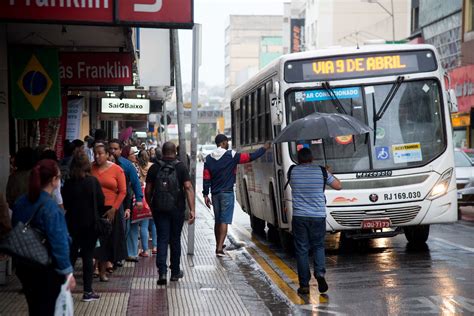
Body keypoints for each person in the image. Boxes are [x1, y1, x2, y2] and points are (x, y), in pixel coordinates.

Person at [11, 159, 76, 315]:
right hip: (46, 268)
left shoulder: (21, 202)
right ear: (53, 180)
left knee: (34, 307)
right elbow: (59, 242)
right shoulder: (50, 207)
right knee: (47, 308)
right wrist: (68, 272)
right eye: (59, 178)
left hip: (24, 264)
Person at [202, 134, 271, 256]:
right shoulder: (231, 155)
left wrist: (205, 194)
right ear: (223, 143)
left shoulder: (208, 159)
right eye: (226, 142)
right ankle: (219, 249)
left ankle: (219, 243)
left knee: (217, 221)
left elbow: (206, 178)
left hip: (215, 194)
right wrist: (264, 148)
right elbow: (250, 157)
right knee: (224, 221)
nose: (228, 144)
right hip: (227, 193)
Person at [288, 147, 341, 295]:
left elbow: (294, 186)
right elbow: (338, 186)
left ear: (298, 159)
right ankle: (320, 274)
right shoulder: (321, 171)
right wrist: (327, 173)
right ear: (312, 158)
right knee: (318, 246)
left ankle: (304, 285)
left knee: (302, 250)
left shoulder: (292, 171)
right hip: (318, 216)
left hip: (300, 217)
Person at [145, 142, 196, 285]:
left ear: (162, 152)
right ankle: (175, 272)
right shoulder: (180, 167)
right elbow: (188, 187)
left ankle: (162, 272)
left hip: (159, 209)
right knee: (175, 239)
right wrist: (192, 209)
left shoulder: (154, 167)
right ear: (175, 152)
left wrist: (151, 205)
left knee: (162, 238)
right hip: (177, 208)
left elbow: (148, 190)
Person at [62, 151, 104, 301]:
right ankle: (87, 292)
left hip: (72, 224)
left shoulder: (68, 183)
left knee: (71, 256)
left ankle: (64, 289)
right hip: (90, 224)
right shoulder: (93, 182)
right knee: (88, 256)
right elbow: (101, 202)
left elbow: (65, 203)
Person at [91, 143, 127, 281]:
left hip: (110, 209)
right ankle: (93, 268)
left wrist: (114, 208)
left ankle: (103, 272)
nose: (97, 156)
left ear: (107, 155)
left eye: (100, 153)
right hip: (94, 209)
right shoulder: (90, 168)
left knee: (107, 241)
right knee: (94, 240)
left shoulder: (117, 170)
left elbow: (123, 191)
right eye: (95, 153)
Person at [108, 140, 144, 263]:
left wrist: (139, 199)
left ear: (120, 150)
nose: (113, 151)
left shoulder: (127, 165)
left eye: (115, 148)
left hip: (123, 203)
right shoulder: (99, 165)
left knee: (123, 229)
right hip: (105, 203)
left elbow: (135, 183)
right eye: (111, 148)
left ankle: (118, 256)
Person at [137, 149, 157, 255]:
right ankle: (154, 247)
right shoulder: (153, 166)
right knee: (153, 224)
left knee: (144, 225)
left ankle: (144, 250)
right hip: (152, 196)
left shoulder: (137, 167)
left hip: (142, 197)